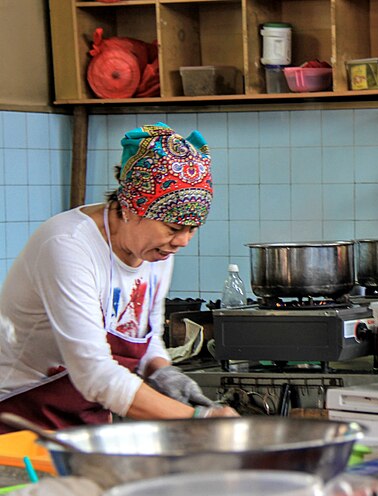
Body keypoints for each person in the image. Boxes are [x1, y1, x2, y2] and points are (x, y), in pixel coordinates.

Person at [0, 123, 237, 433]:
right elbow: (94, 373)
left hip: (86, 420)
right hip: (18, 419)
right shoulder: (67, 245)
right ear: (130, 209)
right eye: (173, 228)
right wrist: (196, 420)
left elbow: (145, 334)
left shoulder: (155, 250)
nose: (183, 242)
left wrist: (162, 372)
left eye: (192, 229)